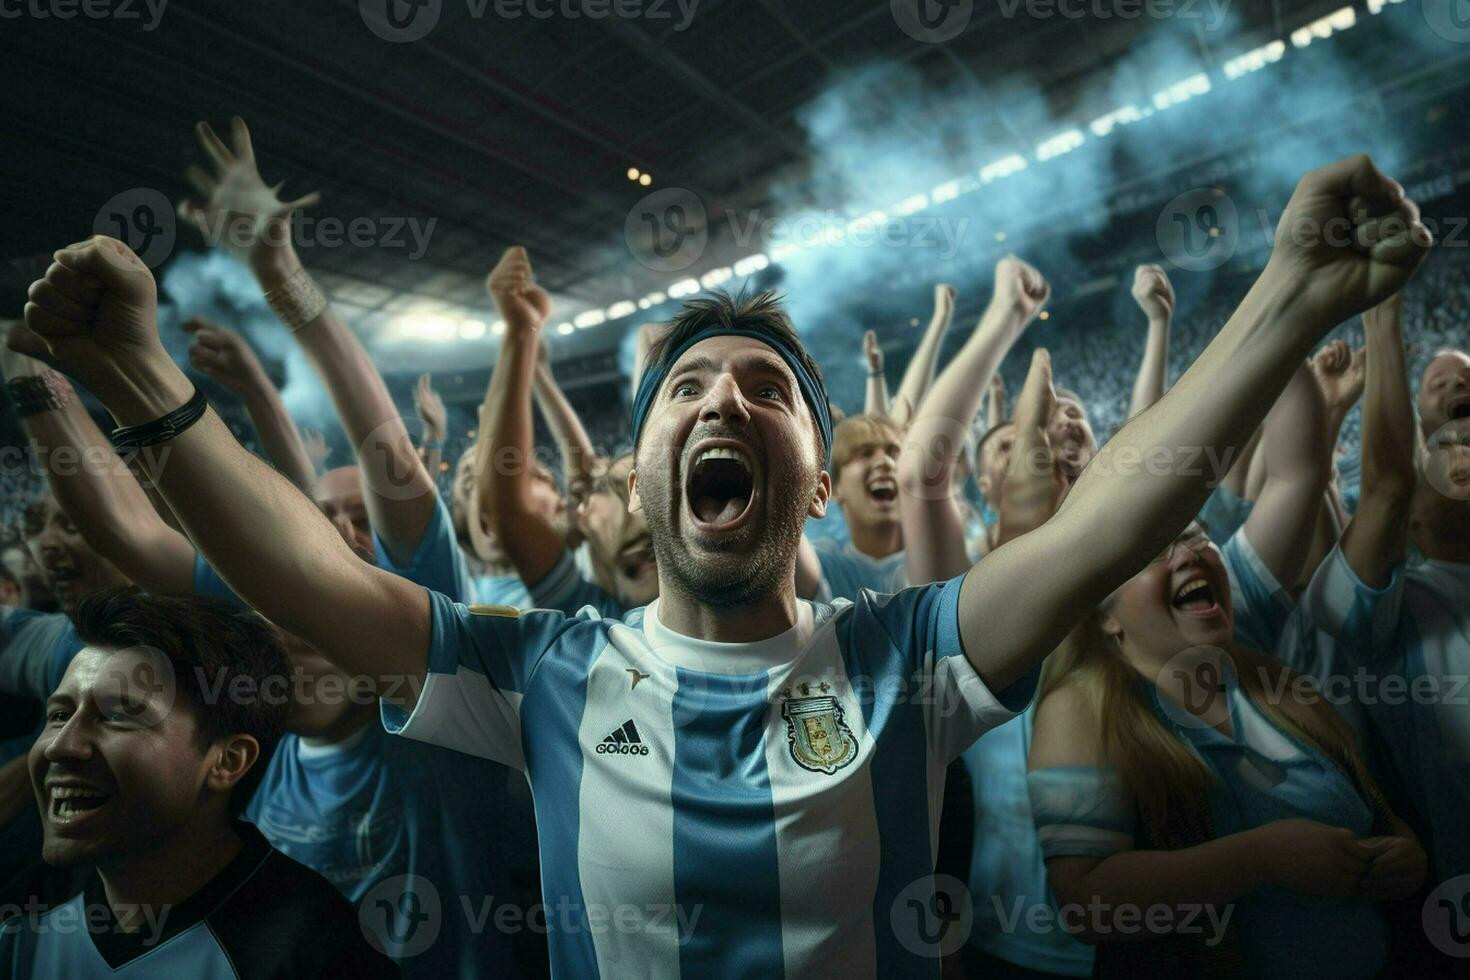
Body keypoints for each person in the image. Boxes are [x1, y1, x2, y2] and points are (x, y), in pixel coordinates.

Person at [14, 152, 1430, 978]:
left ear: (810, 481)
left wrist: (1291, 290)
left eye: (766, 387)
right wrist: (139, 369)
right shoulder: (543, 671)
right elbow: (301, 579)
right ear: (639, 470)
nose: (723, 401)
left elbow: (1104, 520)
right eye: (687, 387)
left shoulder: (901, 657)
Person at [0, 589, 398, 979]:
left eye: (117, 716)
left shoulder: (319, 953)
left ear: (227, 761)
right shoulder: (23, 911)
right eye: (58, 715)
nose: (62, 746)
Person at [1304, 294, 1470, 884]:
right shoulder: (1396, 609)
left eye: (1465, 380)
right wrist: (1383, 308)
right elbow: (1387, 487)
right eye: (1439, 382)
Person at [478, 248, 657, 617]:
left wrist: (533, 356)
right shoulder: (595, 617)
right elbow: (508, 506)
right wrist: (521, 336)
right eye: (580, 498)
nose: (580, 503)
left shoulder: (726, 590)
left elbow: (651, 337)